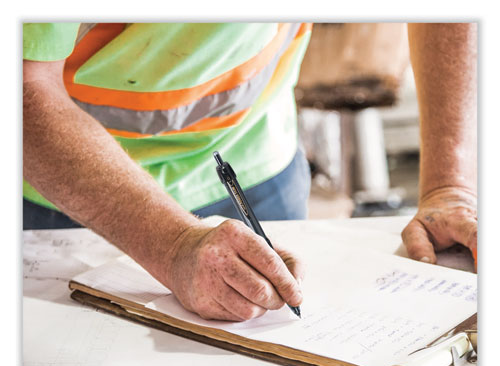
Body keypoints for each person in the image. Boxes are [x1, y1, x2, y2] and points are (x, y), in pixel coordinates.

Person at [23, 22, 477, 321]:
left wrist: (449, 185)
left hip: (256, 155)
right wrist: (171, 243)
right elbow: (21, 91)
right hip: (67, 186)